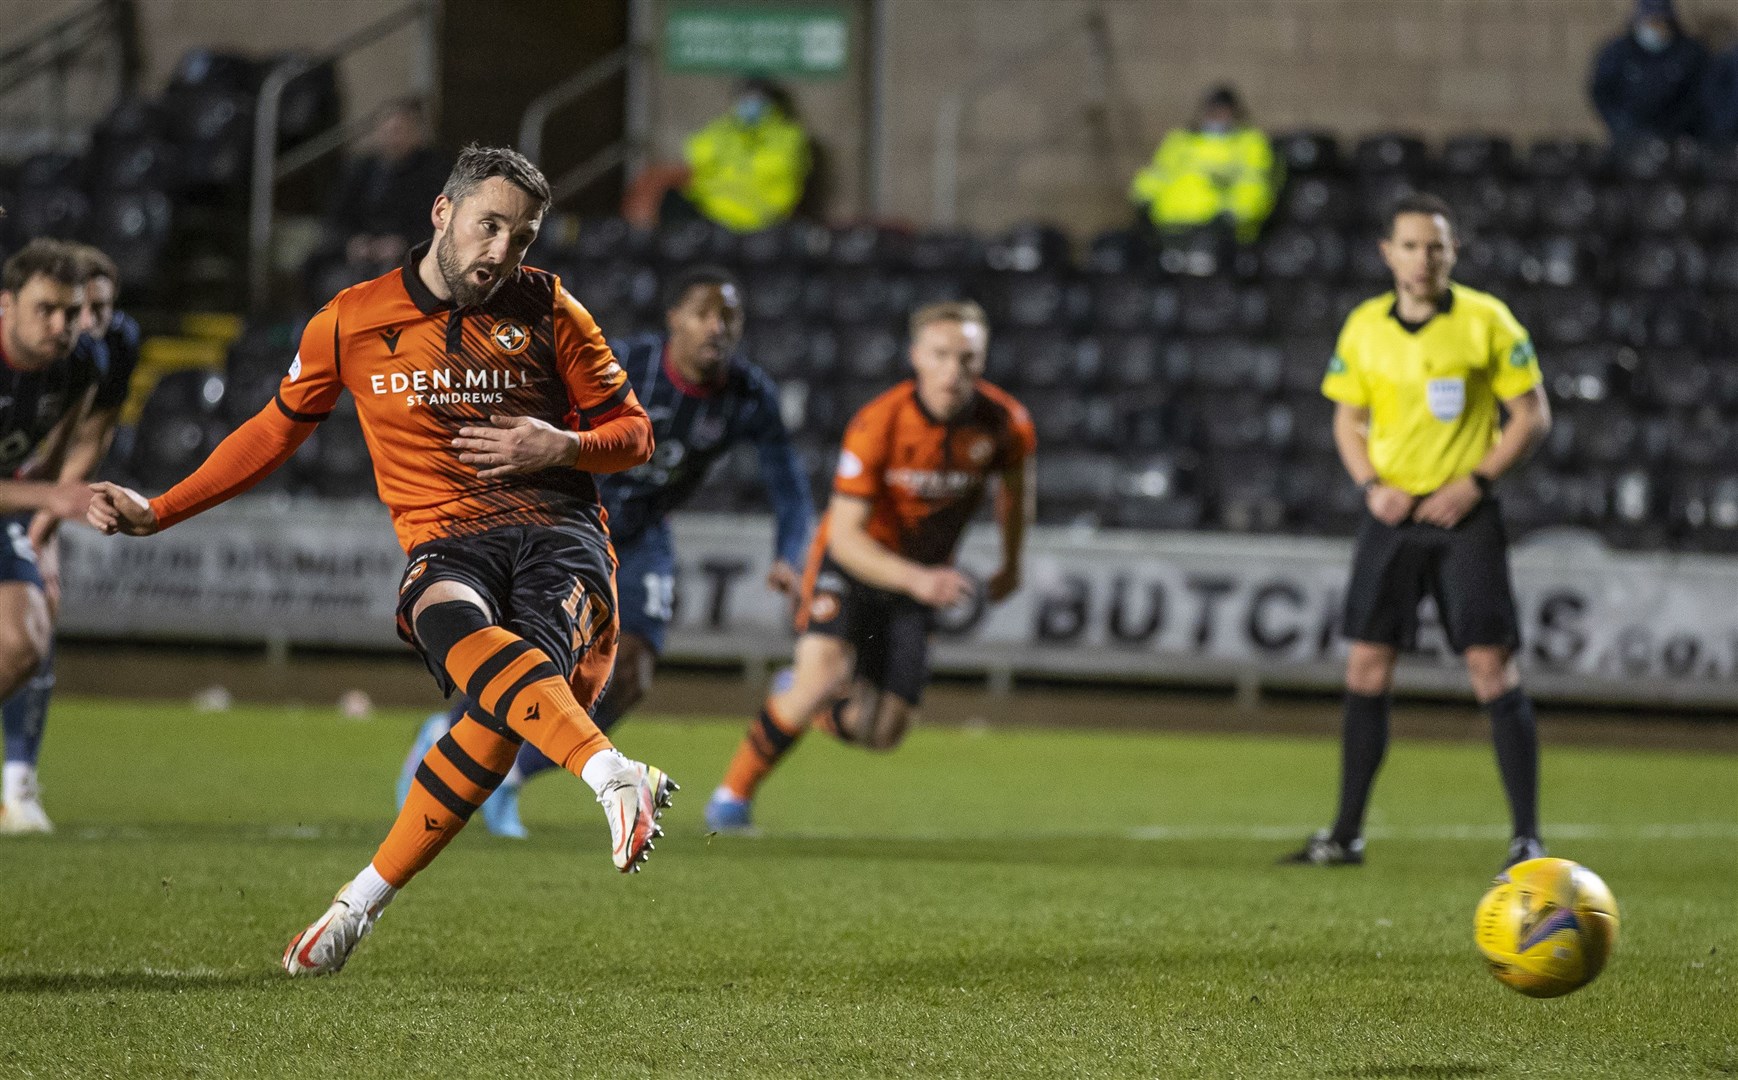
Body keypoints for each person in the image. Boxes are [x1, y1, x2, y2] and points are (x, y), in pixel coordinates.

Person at [86, 145, 675, 977]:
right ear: (443, 213)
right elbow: (272, 431)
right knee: (460, 638)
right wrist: (162, 509)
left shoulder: (549, 309)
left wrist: (562, 442)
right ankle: (602, 781)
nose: (501, 252)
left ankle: (370, 896)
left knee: (509, 703)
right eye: (489, 226)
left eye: (523, 236)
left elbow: (636, 435)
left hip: (560, 538)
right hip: (448, 543)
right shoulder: (350, 320)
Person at [397, 264, 815, 838]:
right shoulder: (623, 363)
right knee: (530, 655)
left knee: (630, 673)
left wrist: (790, 556)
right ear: (675, 320)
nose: (716, 328)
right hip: (562, 520)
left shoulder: (747, 395)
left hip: (641, 533)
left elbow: (790, 488)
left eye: (729, 317)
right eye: (703, 313)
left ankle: (510, 776)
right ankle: (444, 740)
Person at [1282, 193, 1552, 871]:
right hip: (1394, 515)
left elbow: (1532, 415)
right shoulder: (1364, 327)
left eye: (1435, 246)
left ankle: (1526, 838)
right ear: (1387, 253)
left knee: (1491, 665)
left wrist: (1477, 483)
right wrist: (1372, 488)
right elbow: (1347, 420)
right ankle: (1345, 835)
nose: (1423, 258)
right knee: (1367, 664)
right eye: (1410, 245)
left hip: (1465, 516)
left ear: (1452, 252)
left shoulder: (1487, 320)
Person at [703, 301, 1036, 832]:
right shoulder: (879, 423)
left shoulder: (1005, 423)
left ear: (984, 360)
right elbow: (847, 536)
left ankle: (798, 698)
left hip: (917, 580)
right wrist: (920, 579)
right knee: (824, 674)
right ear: (917, 357)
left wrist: (1012, 564)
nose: (954, 370)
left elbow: (1016, 495)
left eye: (968, 358)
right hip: (853, 564)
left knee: (883, 733)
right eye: (942, 355)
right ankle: (730, 800)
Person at [0, 245, 141, 834]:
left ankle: (17, 778)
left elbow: (56, 457)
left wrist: (46, 518)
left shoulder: (86, 360)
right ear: (6, 304)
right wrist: (52, 499)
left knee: (25, 640)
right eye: (46, 310)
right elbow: (51, 486)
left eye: (72, 311)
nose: (63, 326)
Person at [305, 98, 452, 299]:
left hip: (409, 256)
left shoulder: (436, 172)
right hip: (359, 256)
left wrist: (404, 244)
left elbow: (442, 224)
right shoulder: (361, 170)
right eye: (387, 130)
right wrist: (352, 243)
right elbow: (335, 217)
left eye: (400, 131)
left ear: (416, 134)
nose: (392, 138)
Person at [1128, 84, 1278, 245]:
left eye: (1222, 111)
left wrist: (1234, 215)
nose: (1216, 116)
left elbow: (1254, 184)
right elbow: (1158, 173)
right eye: (1212, 110)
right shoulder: (1180, 140)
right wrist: (1142, 197)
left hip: (1219, 232)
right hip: (1168, 226)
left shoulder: (1249, 143)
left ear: (1235, 113)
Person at [665, 76, 812, 233]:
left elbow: (785, 170)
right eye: (745, 99)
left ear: (771, 104)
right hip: (712, 211)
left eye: (757, 100)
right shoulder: (723, 130)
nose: (750, 105)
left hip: (765, 218)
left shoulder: (788, 136)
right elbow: (695, 155)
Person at [1590, 0, 1708, 144]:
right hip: (1628, 137)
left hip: (1679, 137)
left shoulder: (1691, 53)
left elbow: (1701, 94)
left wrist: (1677, 126)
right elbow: (1602, 91)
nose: (1655, 27)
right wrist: (1622, 124)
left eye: (1660, 21)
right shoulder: (1618, 52)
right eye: (1650, 21)